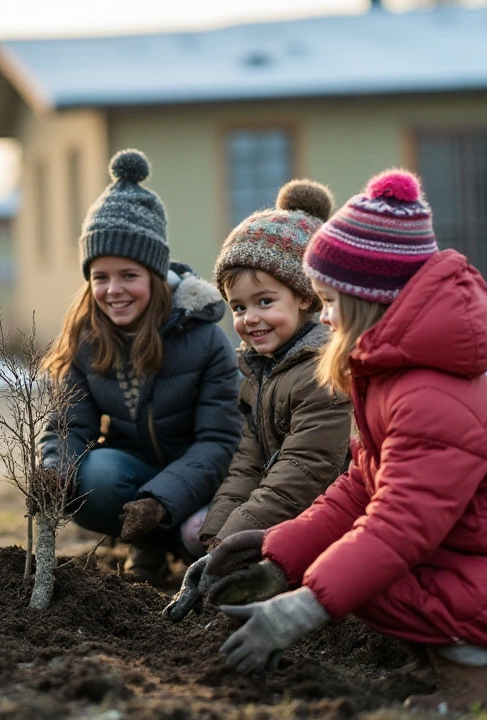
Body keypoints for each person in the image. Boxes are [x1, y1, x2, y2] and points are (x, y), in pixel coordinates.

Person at [207, 170, 487, 713]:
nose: (322, 315)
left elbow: (397, 528)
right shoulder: (395, 375)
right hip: (472, 566)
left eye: (327, 300)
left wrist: (300, 607)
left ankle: (482, 676)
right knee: (340, 566)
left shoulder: (430, 395)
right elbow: (359, 488)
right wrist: (278, 553)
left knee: (356, 578)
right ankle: (460, 651)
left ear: (366, 300)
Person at [41, 149, 240, 584]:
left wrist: (160, 502)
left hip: (205, 482)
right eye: (100, 277)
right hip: (131, 478)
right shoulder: (85, 338)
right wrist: (55, 471)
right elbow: (69, 426)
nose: (114, 290)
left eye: (128, 275)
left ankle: (173, 540)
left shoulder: (204, 337)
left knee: (197, 540)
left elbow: (220, 441)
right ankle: (146, 543)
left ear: (154, 273)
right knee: (95, 477)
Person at [163, 179, 353, 621]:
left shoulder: (323, 371)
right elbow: (247, 462)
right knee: (196, 532)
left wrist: (232, 544)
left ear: (305, 296)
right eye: (239, 307)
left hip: (325, 513)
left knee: (251, 557)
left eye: (265, 301)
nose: (250, 319)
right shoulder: (259, 369)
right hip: (282, 506)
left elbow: (300, 474)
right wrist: (216, 540)